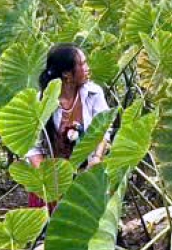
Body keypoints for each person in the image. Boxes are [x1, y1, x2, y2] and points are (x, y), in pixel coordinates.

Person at [26, 43, 110, 179]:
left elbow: (103, 129)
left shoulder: (94, 93)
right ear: (67, 74)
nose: (88, 68)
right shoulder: (42, 101)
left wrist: (97, 157)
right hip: (52, 174)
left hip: (86, 172)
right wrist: (47, 179)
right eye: (82, 65)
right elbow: (32, 148)